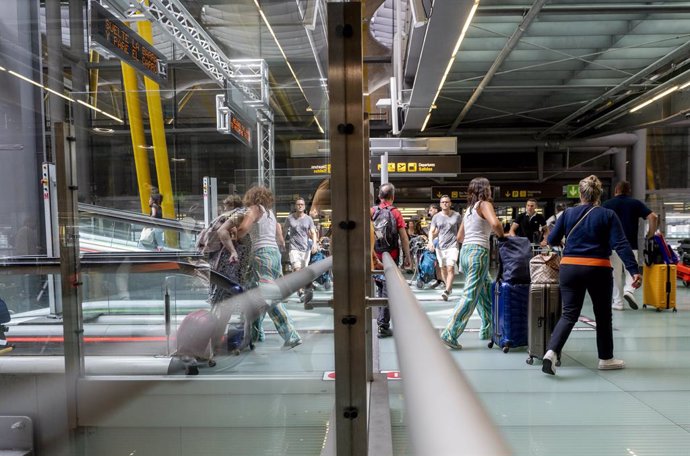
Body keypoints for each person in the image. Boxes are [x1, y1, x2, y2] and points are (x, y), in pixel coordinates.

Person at [542, 175, 641, 375]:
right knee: (603, 316)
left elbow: (551, 239)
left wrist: (562, 241)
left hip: (569, 268)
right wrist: (633, 270)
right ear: (598, 195)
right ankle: (606, 359)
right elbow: (620, 244)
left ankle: (551, 353)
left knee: (569, 313)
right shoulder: (607, 214)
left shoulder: (567, 213)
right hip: (598, 269)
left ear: (580, 194)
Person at [440, 177, 506, 349]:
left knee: (485, 292)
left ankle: (488, 329)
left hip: (466, 252)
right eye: (489, 187)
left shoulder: (469, 210)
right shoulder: (485, 204)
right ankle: (450, 332)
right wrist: (502, 236)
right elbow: (496, 224)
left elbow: (460, 237)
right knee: (470, 294)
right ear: (485, 189)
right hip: (478, 252)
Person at [236, 186, 302, 349]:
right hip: (273, 255)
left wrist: (233, 233)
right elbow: (279, 239)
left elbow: (243, 229)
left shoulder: (254, 209)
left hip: (261, 255)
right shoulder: (270, 214)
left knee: (269, 296)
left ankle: (291, 334)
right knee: (253, 294)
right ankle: (255, 334)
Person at [602, 181, 658, 310]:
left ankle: (618, 303)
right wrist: (650, 234)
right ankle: (629, 290)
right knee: (631, 271)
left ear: (616, 191)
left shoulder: (607, 205)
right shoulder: (635, 203)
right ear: (629, 191)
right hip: (630, 245)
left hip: (612, 246)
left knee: (615, 275)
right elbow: (653, 217)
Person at [371, 183, 411, 338]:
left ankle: (382, 322)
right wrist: (407, 257)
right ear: (393, 197)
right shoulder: (396, 213)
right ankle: (383, 325)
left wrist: (372, 255)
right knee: (388, 291)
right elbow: (404, 237)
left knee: (381, 289)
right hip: (391, 257)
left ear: (379, 197)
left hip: (376, 258)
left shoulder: (372, 211)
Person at [208, 196, 251, 304]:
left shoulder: (231, 215)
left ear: (231, 205)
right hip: (237, 254)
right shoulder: (241, 214)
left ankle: (219, 305)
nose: (224, 208)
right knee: (238, 280)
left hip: (226, 255)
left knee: (224, 282)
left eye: (225, 205)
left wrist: (232, 249)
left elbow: (226, 232)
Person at [283, 197, 319, 302]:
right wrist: (281, 242)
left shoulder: (308, 219)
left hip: (305, 249)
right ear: (295, 206)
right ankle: (300, 292)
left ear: (304, 206)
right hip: (293, 248)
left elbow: (313, 233)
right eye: (298, 204)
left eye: (302, 204)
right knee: (297, 269)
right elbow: (284, 231)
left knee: (303, 271)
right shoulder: (289, 218)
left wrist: (315, 244)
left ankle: (302, 289)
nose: (300, 206)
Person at [427, 195, 462, 300]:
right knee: (443, 268)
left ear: (450, 203)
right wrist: (430, 242)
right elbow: (432, 231)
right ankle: (448, 286)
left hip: (453, 246)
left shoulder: (457, 215)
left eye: (447, 202)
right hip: (440, 247)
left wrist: (463, 242)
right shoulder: (436, 217)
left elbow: (461, 230)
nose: (445, 204)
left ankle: (446, 291)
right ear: (440, 204)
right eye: (443, 202)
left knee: (450, 267)